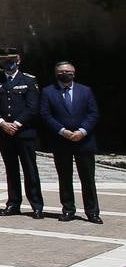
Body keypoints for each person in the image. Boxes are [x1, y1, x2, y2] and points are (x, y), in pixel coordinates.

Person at [40, 61, 101, 224]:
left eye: (68, 71)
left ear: (74, 73)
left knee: (88, 178)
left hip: (84, 140)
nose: (64, 73)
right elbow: (46, 115)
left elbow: (93, 113)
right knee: (65, 177)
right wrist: (63, 131)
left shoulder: (85, 91)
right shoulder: (48, 92)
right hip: (61, 140)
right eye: (61, 71)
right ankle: (68, 209)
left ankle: (92, 211)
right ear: (56, 73)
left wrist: (82, 131)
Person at [0, 48, 45, 218]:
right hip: (4, 133)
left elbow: (32, 106)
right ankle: (13, 203)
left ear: (19, 60)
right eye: (4, 60)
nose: (8, 62)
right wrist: (2, 123)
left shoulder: (28, 80)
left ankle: (36, 204)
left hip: (24, 132)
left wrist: (17, 123)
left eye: (11, 59)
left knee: (30, 169)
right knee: (10, 169)